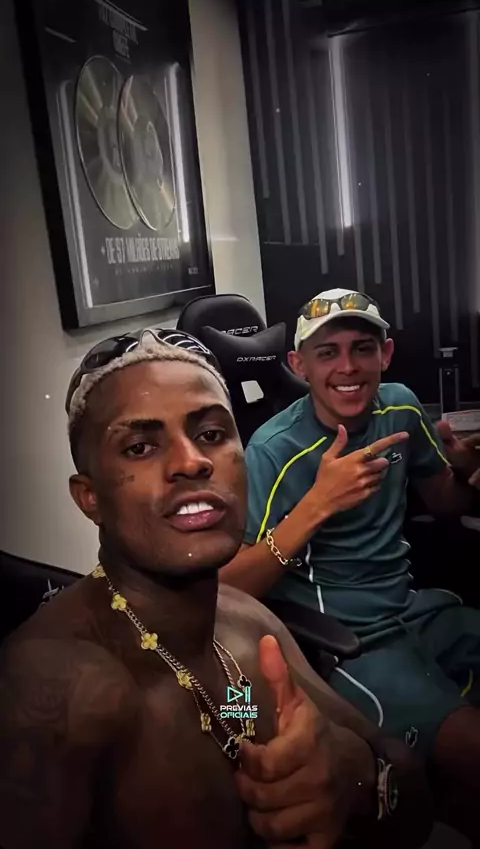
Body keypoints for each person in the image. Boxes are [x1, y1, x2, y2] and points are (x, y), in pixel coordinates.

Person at [0, 328, 431, 849]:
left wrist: (354, 777)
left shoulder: (243, 627)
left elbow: (408, 784)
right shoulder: (61, 689)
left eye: (209, 434)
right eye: (140, 446)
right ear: (89, 497)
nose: (191, 462)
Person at [219, 289, 480, 843]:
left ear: (385, 354)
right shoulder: (272, 450)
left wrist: (465, 469)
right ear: (299, 365)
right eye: (327, 352)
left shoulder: (400, 408)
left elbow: (445, 502)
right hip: (350, 643)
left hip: (413, 610)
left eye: (362, 348)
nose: (347, 367)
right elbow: (228, 588)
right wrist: (317, 504)